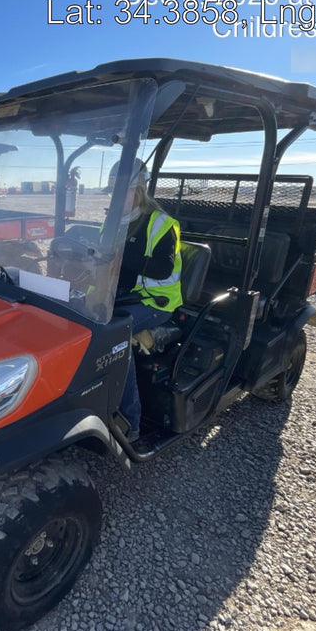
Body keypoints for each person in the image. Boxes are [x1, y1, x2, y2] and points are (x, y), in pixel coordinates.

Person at [113, 159, 183, 441]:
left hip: (155, 302)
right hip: (120, 296)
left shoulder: (162, 223)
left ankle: (130, 422)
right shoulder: (115, 220)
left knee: (113, 338)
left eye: (123, 191)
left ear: (139, 190)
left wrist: (119, 256)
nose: (117, 198)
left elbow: (161, 269)